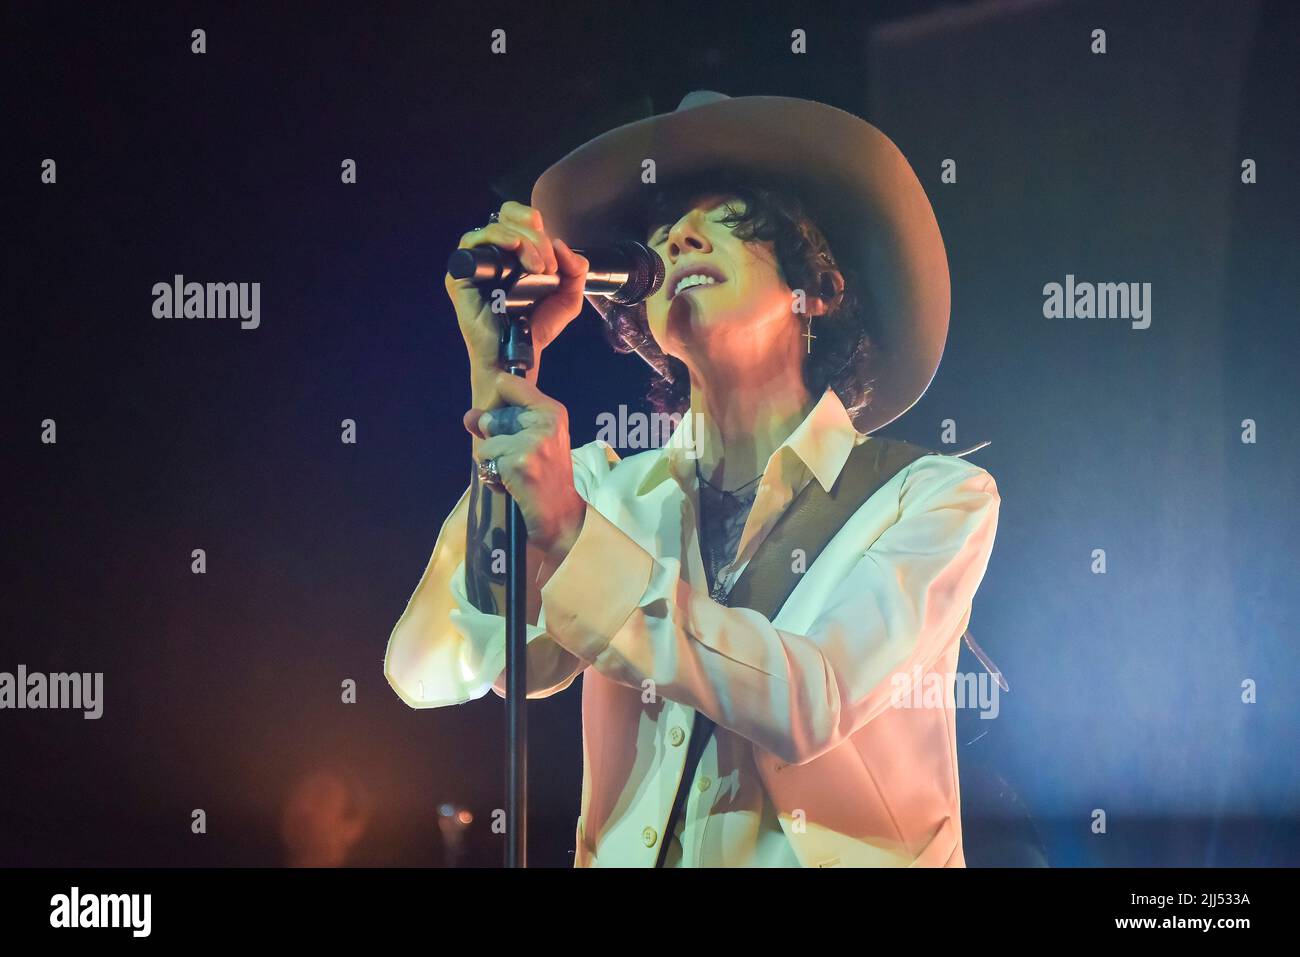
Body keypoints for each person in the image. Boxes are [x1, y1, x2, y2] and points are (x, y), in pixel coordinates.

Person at [385, 91, 1001, 867]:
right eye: (663, 229)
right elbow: (439, 665)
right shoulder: (604, 489)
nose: (678, 236)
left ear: (817, 289)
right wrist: (495, 377)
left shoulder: (931, 497)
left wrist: (576, 537)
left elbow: (810, 699)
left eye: (731, 215)